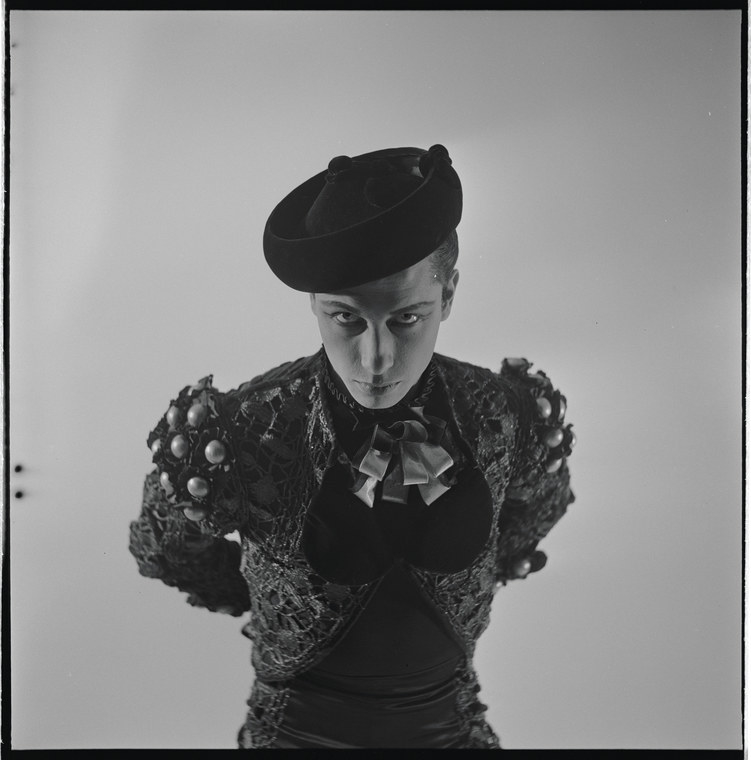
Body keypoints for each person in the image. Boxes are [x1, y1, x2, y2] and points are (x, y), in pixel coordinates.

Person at [129, 144, 576, 749]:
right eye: (345, 318)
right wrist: (271, 603)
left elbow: (529, 517)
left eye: (407, 319)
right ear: (313, 304)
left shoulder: (504, 412)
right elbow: (169, 552)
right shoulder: (236, 432)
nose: (375, 359)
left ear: (448, 296)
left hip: (452, 732)